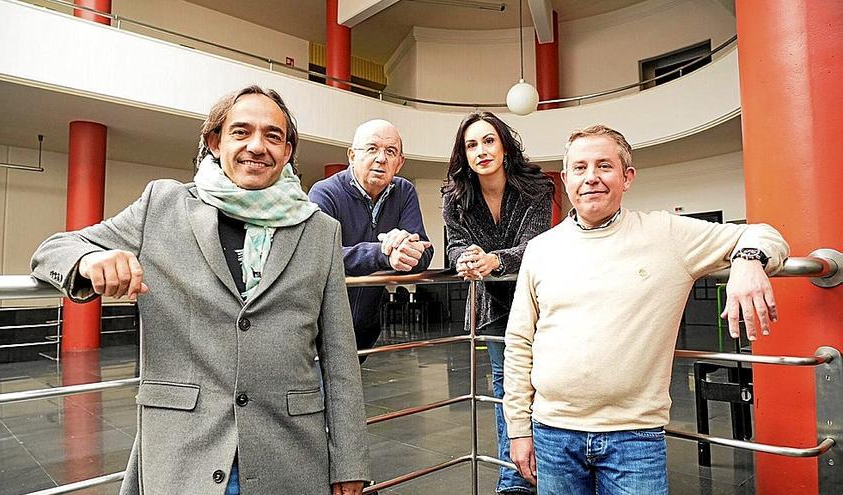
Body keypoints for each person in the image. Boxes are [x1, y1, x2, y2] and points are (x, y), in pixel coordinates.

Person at [31, 85, 369, 495]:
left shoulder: (319, 231)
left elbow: (339, 357)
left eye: (273, 136)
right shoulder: (163, 205)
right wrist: (88, 261)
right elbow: (53, 249)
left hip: (290, 453)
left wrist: (349, 460)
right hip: (184, 450)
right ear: (215, 142)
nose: (257, 147)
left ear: (288, 151)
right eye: (240, 132)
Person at [504, 124, 789, 495]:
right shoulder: (541, 248)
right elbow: (520, 342)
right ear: (566, 179)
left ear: (627, 177)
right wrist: (518, 429)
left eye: (604, 166)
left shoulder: (666, 236)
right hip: (553, 432)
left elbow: (765, 234)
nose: (591, 178)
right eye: (580, 168)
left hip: (634, 437)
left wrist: (748, 261)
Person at [442, 111, 553, 495]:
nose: (481, 150)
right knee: (508, 390)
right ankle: (515, 480)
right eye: (472, 145)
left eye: (489, 141)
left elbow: (534, 246)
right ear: (464, 154)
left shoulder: (537, 187)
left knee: (546, 387)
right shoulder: (455, 198)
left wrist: (494, 260)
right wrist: (465, 257)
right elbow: (454, 244)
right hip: (493, 309)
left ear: (504, 146)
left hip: (540, 304)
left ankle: (551, 471)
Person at [309, 119, 433, 354]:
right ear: (352, 155)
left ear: (400, 162)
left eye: (391, 151)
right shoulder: (324, 192)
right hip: (319, 328)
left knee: (352, 391)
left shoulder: (404, 191)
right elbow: (320, 254)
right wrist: (383, 253)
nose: (381, 158)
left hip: (367, 328)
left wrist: (406, 252)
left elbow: (424, 248)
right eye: (372, 148)